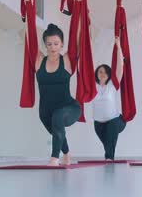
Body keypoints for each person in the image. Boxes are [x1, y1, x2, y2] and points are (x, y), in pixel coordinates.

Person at [35, 24, 81, 166]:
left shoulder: (66, 60)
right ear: (45, 45)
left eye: (56, 43)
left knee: (58, 117)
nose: (53, 47)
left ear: (62, 44)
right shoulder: (39, 60)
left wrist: (80, 14)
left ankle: (54, 158)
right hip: (45, 111)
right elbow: (29, 39)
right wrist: (28, 13)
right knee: (56, 127)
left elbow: (79, 40)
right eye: (49, 44)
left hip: (70, 108)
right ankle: (66, 154)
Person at [92, 38, 126, 161]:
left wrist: (118, 47)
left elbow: (120, 67)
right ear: (96, 73)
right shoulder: (92, 86)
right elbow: (84, 67)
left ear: (109, 75)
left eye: (106, 72)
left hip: (116, 121)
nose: (103, 74)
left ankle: (109, 159)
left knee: (110, 141)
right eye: (100, 72)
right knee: (108, 144)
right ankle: (109, 157)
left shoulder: (112, 85)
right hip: (98, 124)